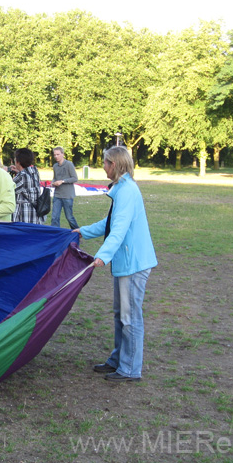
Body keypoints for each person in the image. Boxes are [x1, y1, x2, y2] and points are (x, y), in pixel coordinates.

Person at [74, 146, 157, 382]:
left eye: (105, 162)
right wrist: (83, 231)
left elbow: (119, 229)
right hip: (126, 261)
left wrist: (103, 255)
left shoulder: (127, 191)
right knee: (121, 314)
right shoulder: (121, 188)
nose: (103, 166)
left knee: (130, 317)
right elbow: (110, 222)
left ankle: (130, 369)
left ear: (115, 164)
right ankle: (118, 360)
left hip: (133, 263)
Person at [11, 148, 43, 224]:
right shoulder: (34, 171)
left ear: (18, 162)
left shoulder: (22, 176)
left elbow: (7, 189)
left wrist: (4, 173)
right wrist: (18, 171)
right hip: (35, 215)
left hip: (25, 216)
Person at [50, 146, 79, 229]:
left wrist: (62, 181)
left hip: (67, 195)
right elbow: (55, 177)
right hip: (57, 195)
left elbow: (74, 178)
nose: (56, 156)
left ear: (63, 154)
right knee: (54, 217)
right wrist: (53, 182)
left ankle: (77, 232)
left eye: (58, 154)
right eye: (54, 155)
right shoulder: (55, 166)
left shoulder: (69, 164)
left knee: (69, 217)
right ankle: (55, 234)